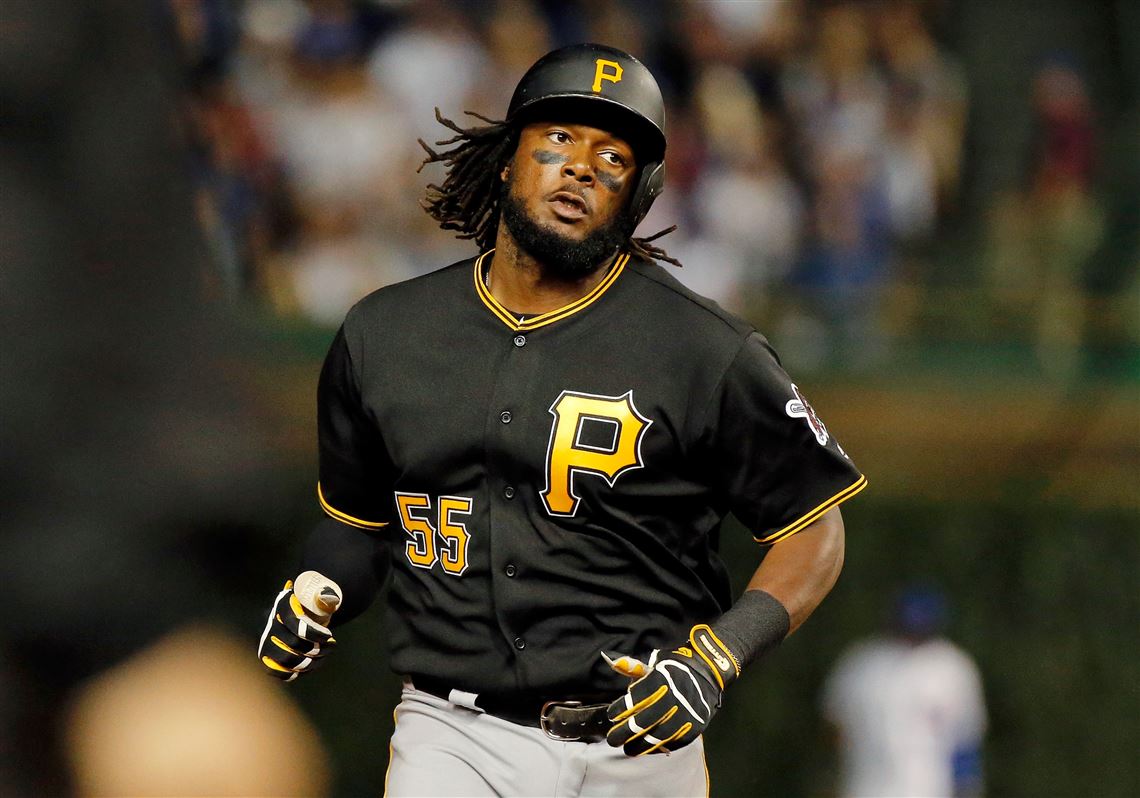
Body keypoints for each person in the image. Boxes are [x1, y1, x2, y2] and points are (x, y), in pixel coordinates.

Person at [257, 43, 866, 796]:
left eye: (613, 158)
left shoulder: (706, 350)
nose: (581, 166)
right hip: (452, 737)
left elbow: (814, 526)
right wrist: (318, 584)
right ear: (509, 159)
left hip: (639, 745)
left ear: (636, 196)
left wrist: (717, 657)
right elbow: (359, 521)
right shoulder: (384, 334)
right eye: (557, 141)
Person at [820, 585, 987, 798]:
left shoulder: (952, 667)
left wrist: (966, 788)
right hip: (864, 788)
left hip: (930, 789)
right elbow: (833, 727)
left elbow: (965, 737)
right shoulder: (861, 663)